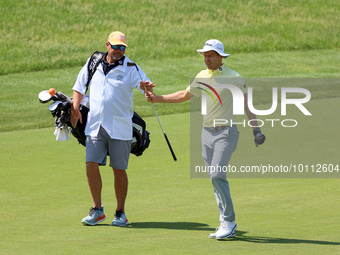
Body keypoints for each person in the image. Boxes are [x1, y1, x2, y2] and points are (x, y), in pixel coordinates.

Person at [146, 39, 266, 239]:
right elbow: (185, 94)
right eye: (205, 55)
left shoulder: (234, 77)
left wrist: (256, 130)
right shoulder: (202, 76)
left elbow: (247, 105)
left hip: (226, 133)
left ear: (221, 57)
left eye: (211, 55)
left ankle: (229, 222)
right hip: (206, 134)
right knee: (214, 179)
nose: (207, 59)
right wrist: (158, 98)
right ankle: (224, 222)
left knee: (217, 174)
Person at [70, 31, 153, 226]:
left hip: (120, 127)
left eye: (122, 47)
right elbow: (79, 86)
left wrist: (147, 88)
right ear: (107, 45)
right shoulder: (94, 61)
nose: (118, 51)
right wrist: (75, 109)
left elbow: (144, 86)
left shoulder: (131, 67)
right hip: (95, 124)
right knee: (91, 164)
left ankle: (120, 212)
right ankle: (97, 210)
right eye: (115, 46)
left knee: (119, 169)